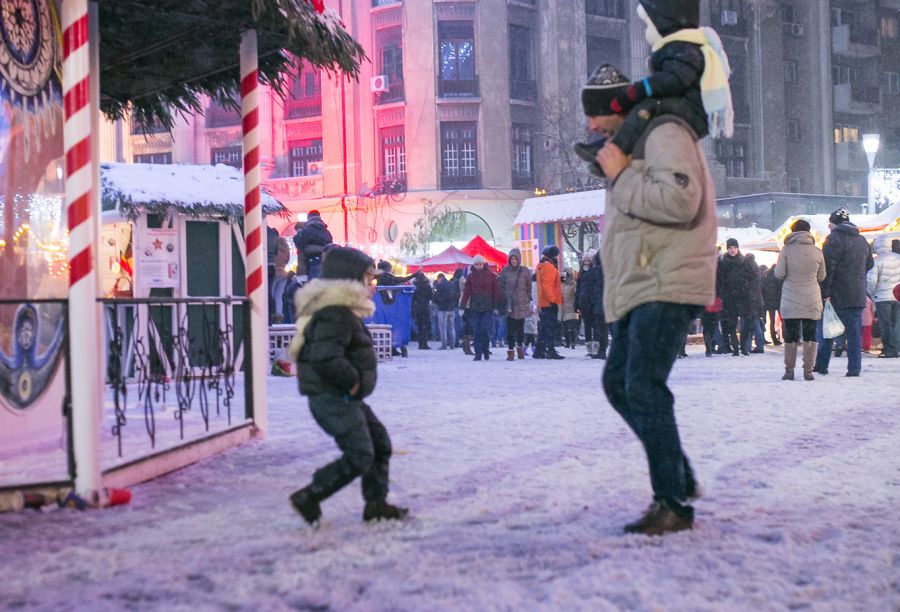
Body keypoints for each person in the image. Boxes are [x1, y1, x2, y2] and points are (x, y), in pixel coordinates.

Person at [590, 59, 718, 535]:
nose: (591, 125)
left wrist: (622, 175)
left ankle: (672, 503)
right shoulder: (636, 141)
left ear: (619, 106)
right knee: (619, 383)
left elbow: (680, 200)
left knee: (642, 385)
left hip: (666, 281)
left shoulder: (664, 132)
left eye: (596, 112)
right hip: (645, 283)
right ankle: (677, 478)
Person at [287, 246, 408, 525]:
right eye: (369, 279)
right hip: (332, 396)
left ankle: (376, 504)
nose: (373, 286)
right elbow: (325, 357)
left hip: (342, 395)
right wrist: (353, 382)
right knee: (360, 453)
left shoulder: (342, 311)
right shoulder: (335, 314)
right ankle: (310, 496)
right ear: (351, 281)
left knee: (379, 444)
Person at [604, 1, 732, 159]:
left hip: (693, 113)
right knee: (645, 114)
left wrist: (639, 90)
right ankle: (618, 149)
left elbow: (674, 80)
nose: (646, 30)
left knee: (645, 110)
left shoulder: (684, 49)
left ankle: (617, 151)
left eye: (648, 24)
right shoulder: (681, 48)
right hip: (690, 112)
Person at [813, 208, 874, 377]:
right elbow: (870, 264)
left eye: (829, 223)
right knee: (854, 334)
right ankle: (854, 368)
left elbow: (828, 268)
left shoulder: (833, 239)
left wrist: (825, 291)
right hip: (857, 293)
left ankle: (822, 365)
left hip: (837, 293)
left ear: (834, 223)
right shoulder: (862, 240)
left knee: (828, 330)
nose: (828, 226)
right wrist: (856, 276)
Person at [773, 219, 826, 381]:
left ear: (793, 232)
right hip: (812, 297)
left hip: (791, 297)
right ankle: (808, 371)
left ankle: (789, 371)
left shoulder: (786, 250)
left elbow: (779, 273)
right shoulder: (817, 251)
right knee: (810, 335)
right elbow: (822, 276)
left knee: (791, 336)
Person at [459, 255, 501, 362]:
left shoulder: (491, 276)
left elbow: (496, 291)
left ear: (484, 264)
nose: (478, 266)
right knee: (477, 331)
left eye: (480, 264)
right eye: (476, 264)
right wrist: (462, 305)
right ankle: (478, 354)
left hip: (488, 307)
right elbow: (467, 292)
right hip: (475, 307)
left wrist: (496, 305)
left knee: (485, 330)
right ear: (474, 265)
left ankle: (485, 350)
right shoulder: (471, 277)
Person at [866, 234, 900, 358]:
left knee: (886, 324)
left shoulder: (877, 260)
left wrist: (871, 293)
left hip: (882, 297)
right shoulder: (898, 258)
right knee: (896, 324)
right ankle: (896, 348)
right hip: (898, 296)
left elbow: (871, 281)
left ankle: (889, 349)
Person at [717, 238, 752, 356]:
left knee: (746, 323)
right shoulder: (723, 263)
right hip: (729, 298)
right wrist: (722, 294)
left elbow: (750, 278)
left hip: (743, 297)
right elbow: (720, 280)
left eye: (734, 248)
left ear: (738, 248)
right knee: (731, 324)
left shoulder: (744, 261)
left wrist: (747, 289)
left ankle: (744, 346)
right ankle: (736, 348)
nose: (732, 250)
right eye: (730, 248)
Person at [497, 248, 533, 360]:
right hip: (510, 304)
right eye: (511, 258)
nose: (513, 261)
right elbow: (500, 286)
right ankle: (511, 351)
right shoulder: (505, 271)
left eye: (515, 258)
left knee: (520, 328)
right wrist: (504, 297)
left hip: (522, 303)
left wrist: (528, 298)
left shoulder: (524, 271)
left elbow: (529, 286)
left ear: (519, 259)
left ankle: (520, 349)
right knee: (510, 329)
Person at [575, 250, 607, 359]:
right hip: (602, 303)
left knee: (599, 328)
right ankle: (602, 351)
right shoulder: (607, 271)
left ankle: (601, 351)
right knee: (602, 328)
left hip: (594, 303)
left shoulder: (591, 273)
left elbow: (585, 290)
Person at [534, 246, 564, 360]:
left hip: (543, 302)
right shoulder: (549, 267)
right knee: (550, 328)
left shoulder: (541, 266)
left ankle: (539, 350)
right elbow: (547, 285)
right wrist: (553, 300)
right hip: (549, 303)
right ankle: (550, 350)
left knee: (544, 327)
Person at [295, 210, 333, 280]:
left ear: (308, 218)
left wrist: (298, 233)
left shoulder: (307, 230)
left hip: (312, 262)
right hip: (325, 263)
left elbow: (300, 245)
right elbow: (330, 247)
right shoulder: (326, 232)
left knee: (313, 284)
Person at [433, 273, 460, 350]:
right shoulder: (452, 284)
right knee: (452, 327)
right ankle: (452, 345)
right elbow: (456, 295)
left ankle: (444, 345)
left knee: (443, 328)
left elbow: (435, 296)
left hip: (442, 309)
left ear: (439, 278)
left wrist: (438, 302)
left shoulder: (439, 285)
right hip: (452, 308)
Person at [270, 231, 291, 323]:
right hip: (283, 272)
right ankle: (279, 315)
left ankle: (271, 313)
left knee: (271, 293)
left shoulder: (274, 246)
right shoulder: (286, 247)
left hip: (274, 271)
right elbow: (288, 259)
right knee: (279, 295)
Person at [761, 264, 784, 345]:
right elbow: (780, 290)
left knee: (766, 321)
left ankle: (763, 338)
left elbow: (762, 289)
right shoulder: (778, 277)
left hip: (766, 302)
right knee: (776, 321)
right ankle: (776, 339)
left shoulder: (765, 276)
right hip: (775, 302)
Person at [411, 272, 433, 350]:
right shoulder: (427, 286)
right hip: (425, 307)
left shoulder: (415, 286)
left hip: (417, 307)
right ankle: (424, 343)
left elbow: (413, 298)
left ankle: (420, 343)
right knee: (425, 326)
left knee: (419, 326)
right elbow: (431, 296)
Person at [559, 268, 579, 349]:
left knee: (572, 327)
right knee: (566, 327)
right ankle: (567, 342)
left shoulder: (573, 284)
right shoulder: (561, 285)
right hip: (563, 309)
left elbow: (576, 295)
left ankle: (573, 342)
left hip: (572, 308)